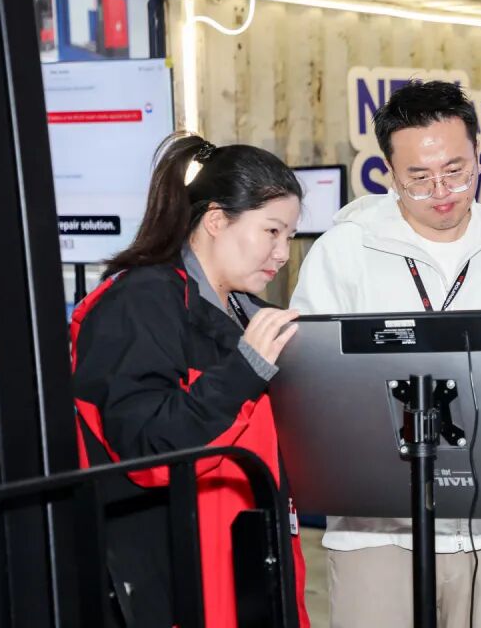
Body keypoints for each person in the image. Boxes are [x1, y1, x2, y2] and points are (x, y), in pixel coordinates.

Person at [291, 80, 481, 628]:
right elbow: (310, 384)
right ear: (389, 172)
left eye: (456, 171)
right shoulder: (345, 250)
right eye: (419, 178)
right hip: (375, 528)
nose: (441, 191)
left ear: (479, 158)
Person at [71, 133, 310, 627]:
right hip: (178, 579)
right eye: (272, 231)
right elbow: (148, 447)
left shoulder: (250, 315)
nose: (283, 253)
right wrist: (244, 370)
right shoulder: (139, 303)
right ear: (217, 220)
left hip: (252, 561)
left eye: (288, 236)